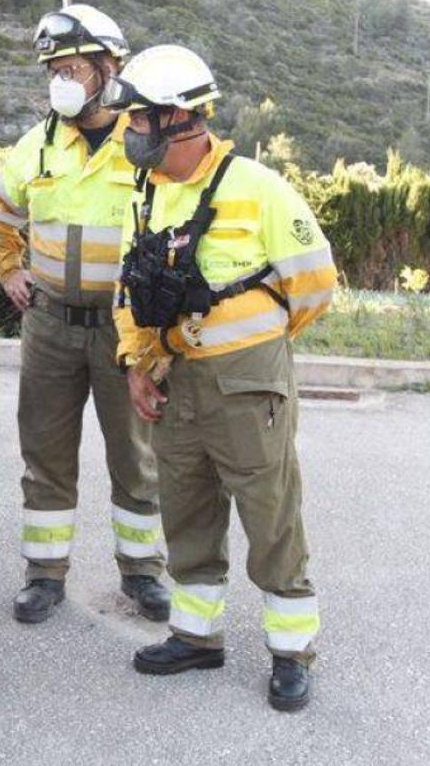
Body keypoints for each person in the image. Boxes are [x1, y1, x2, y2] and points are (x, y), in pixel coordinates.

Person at [101, 45, 337, 711]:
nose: (128, 131)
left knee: (271, 516)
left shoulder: (257, 188)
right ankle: (197, 636)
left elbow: (315, 287)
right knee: (188, 510)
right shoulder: (144, 197)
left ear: (179, 119)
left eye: (139, 119)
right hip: (174, 379)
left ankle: (292, 652)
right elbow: (130, 290)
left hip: (245, 383)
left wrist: (250, 345)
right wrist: (136, 364)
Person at [0, 3, 169, 625]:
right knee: (45, 454)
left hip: (125, 330)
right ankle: (44, 574)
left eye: (71, 66)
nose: (60, 78)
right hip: (50, 324)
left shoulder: (145, 144)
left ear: (109, 68)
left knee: (136, 458)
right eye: (52, 68)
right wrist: (9, 268)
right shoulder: (35, 146)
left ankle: (143, 574)